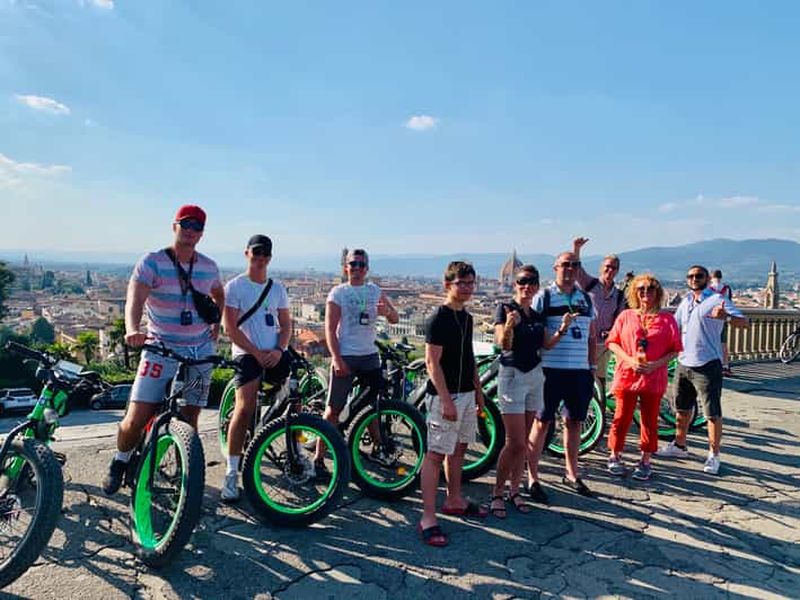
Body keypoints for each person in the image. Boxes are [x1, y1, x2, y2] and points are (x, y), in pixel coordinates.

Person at [102, 205, 223, 495]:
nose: (191, 230)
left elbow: (219, 293)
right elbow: (136, 297)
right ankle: (120, 461)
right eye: (186, 224)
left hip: (198, 353)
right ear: (175, 226)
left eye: (197, 226)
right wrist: (132, 328)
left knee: (191, 416)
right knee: (136, 417)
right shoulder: (153, 262)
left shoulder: (208, 266)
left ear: (202, 233)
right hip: (160, 349)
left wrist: (217, 323)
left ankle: (184, 467)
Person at [490, 265, 575, 516]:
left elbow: (546, 344)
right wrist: (508, 326)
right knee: (514, 442)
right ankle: (496, 492)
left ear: (537, 286)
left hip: (535, 377)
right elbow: (503, 345)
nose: (527, 286)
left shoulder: (538, 315)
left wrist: (562, 328)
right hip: (513, 376)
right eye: (522, 281)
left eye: (532, 282)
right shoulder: (505, 309)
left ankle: (515, 490)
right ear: (514, 284)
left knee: (525, 440)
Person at [418, 261, 487, 547]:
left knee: (459, 449)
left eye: (471, 283)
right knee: (435, 454)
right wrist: (446, 399)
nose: (468, 288)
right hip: (445, 395)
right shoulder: (439, 318)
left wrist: (478, 390)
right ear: (448, 285)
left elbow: (468, 356)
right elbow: (431, 363)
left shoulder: (467, 318)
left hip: (466, 393)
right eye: (462, 283)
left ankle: (454, 499)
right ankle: (427, 517)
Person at [220, 235, 292, 502]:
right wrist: (256, 352)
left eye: (266, 253)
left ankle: (292, 449)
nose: (261, 257)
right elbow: (230, 328)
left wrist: (278, 350)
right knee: (245, 406)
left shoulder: (278, 288)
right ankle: (231, 472)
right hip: (246, 354)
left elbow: (286, 325)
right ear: (247, 253)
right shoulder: (235, 286)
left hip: (274, 352)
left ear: (270, 257)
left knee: (292, 400)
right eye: (256, 252)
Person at [657, 265, 748, 475]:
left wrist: (726, 317)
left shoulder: (717, 300)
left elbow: (745, 323)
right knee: (681, 408)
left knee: (712, 412)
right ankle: (679, 445)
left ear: (707, 278)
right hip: (684, 362)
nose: (694, 278)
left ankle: (714, 455)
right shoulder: (686, 301)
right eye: (690, 276)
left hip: (708, 364)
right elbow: (674, 326)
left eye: (699, 275)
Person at [313, 248, 399, 467]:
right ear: (346, 267)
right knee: (333, 410)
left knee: (371, 407)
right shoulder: (338, 293)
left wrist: (387, 312)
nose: (357, 268)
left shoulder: (374, 290)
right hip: (347, 355)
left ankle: (379, 448)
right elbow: (330, 330)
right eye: (353, 264)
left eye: (361, 265)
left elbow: (395, 319)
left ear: (367, 269)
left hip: (369, 356)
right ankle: (318, 458)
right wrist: (336, 358)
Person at [529, 251, 598, 497]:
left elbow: (591, 338)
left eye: (575, 265)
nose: (570, 269)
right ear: (555, 268)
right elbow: (535, 335)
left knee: (574, 422)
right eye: (565, 265)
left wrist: (592, 368)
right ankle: (532, 477)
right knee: (541, 422)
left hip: (579, 372)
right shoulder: (543, 297)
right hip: (549, 369)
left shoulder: (587, 300)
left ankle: (572, 473)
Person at [605, 274, 681, 481]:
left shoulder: (667, 319)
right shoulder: (626, 316)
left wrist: (656, 364)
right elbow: (612, 342)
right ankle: (615, 455)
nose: (645, 292)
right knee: (621, 418)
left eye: (650, 288)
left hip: (653, 377)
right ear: (634, 293)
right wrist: (629, 360)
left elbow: (676, 349)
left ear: (658, 292)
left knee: (649, 421)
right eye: (641, 289)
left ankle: (645, 460)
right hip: (627, 374)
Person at [572, 238, 626, 399]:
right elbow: (577, 269)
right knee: (580, 377)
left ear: (617, 271)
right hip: (583, 341)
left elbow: (619, 320)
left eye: (613, 268)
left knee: (599, 379)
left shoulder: (619, 295)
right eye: (607, 266)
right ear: (601, 268)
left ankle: (599, 413)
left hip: (602, 345)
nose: (610, 270)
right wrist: (576, 249)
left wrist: (610, 332)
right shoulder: (590, 284)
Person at [709, 270, 734, 376]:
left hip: (711, 319)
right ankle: (725, 366)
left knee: (709, 343)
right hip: (722, 318)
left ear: (711, 277)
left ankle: (711, 365)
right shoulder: (727, 289)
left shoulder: (709, 289)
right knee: (723, 343)